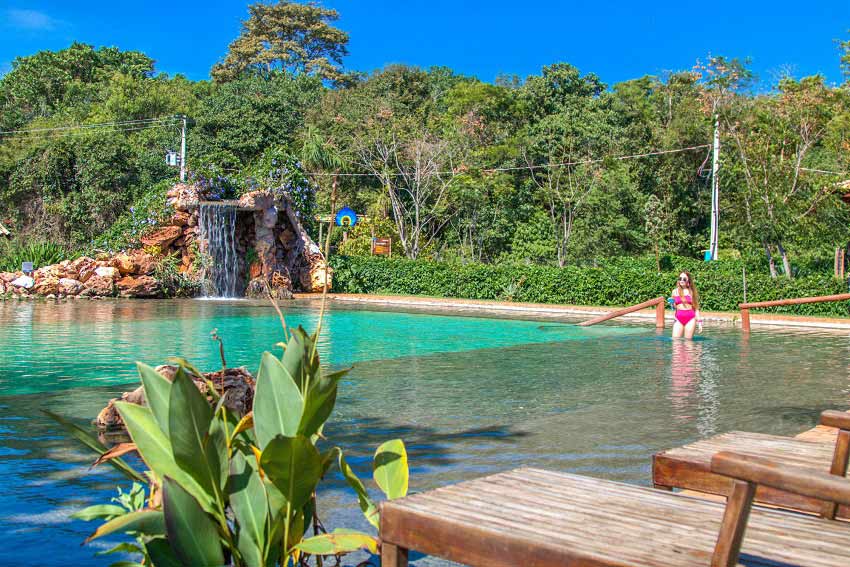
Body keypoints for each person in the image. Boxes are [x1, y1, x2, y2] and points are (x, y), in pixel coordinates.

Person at [671, 271, 703, 339]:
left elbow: (696, 308)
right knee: (675, 341)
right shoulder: (675, 291)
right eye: (680, 278)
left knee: (688, 343)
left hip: (690, 319)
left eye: (684, 279)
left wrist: (699, 323)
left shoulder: (692, 292)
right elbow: (674, 307)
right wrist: (671, 304)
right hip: (678, 318)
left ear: (688, 280)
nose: (682, 280)